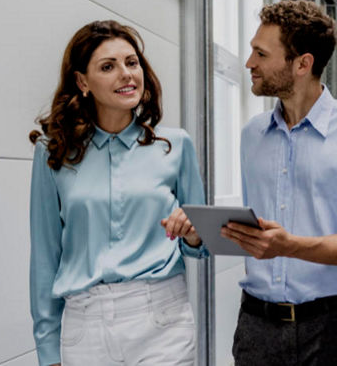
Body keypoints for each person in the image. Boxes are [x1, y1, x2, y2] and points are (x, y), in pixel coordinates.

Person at [28, 20, 210, 366]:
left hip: (162, 320)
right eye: (108, 67)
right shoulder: (53, 151)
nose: (126, 74)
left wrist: (194, 234)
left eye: (132, 62)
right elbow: (44, 255)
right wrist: (47, 348)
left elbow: (200, 244)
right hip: (85, 327)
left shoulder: (176, 145)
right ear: (82, 82)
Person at [220, 0, 337, 366]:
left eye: (261, 54)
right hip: (256, 327)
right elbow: (257, 232)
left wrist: (288, 246)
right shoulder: (252, 135)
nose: (249, 63)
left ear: (302, 64)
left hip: (332, 328)